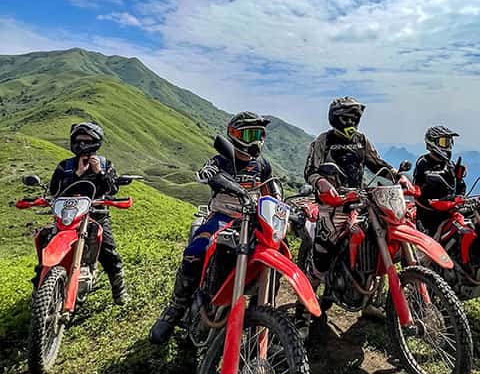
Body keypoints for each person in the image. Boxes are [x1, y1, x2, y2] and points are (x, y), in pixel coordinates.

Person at [149, 112, 278, 345]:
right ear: (235, 135)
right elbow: (207, 172)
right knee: (194, 252)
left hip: (254, 221)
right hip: (222, 216)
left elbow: (270, 193)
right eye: (250, 134)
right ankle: (176, 307)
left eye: (260, 134)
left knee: (273, 258)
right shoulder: (221, 160)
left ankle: (266, 320)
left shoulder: (262, 165)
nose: (256, 140)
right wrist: (209, 174)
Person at [302, 96, 397, 287]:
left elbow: (376, 163)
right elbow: (310, 170)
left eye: (354, 119)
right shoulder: (324, 140)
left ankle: (369, 292)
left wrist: (396, 174)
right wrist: (321, 181)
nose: (351, 122)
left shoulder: (361, 140)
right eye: (347, 118)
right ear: (335, 118)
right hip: (332, 204)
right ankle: (304, 307)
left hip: (359, 201)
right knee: (324, 251)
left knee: (376, 239)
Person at [36, 122, 127, 304]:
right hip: (67, 217)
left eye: (87, 140)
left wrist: (99, 172)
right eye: (79, 140)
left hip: (96, 214)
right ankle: (40, 290)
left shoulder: (105, 164)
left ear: (96, 142)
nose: (82, 144)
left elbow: (112, 190)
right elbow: (55, 191)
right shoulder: (65, 166)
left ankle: (119, 291)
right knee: (45, 241)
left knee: (109, 253)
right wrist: (76, 174)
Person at [412, 125, 467, 236]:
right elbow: (420, 186)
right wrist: (436, 177)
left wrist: (459, 179)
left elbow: (458, 189)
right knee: (429, 245)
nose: (447, 146)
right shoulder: (423, 162)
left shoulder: (449, 164)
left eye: (449, 141)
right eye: (443, 141)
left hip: (448, 211)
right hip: (428, 215)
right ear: (432, 142)